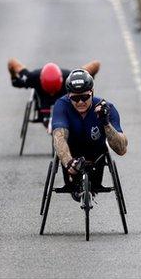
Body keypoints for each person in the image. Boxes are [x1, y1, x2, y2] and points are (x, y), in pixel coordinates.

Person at [51, 69, 128, 201]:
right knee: (64, 148)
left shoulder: (107, 107)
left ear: (92, 92)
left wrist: (106, 123)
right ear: (68, 96)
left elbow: (121, 149)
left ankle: (91, 187)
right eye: (75, 98)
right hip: (71, 156)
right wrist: (68, 162)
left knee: (99, 156)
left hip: (96, 155)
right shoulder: (62, 105)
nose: (80, 102)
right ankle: (75, 183)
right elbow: (59, 137)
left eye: (85, 97)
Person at [8, 58, 100, 124]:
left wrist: (90, 79)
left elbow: (96, 64)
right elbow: (12, 62)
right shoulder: (32, 77)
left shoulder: (70, 77)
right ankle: (47, 122)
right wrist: (12, 74)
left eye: (53, 91)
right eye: (50, 91)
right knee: (46, 119)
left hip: (62, 95)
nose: (52, 93)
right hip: (43, 98)